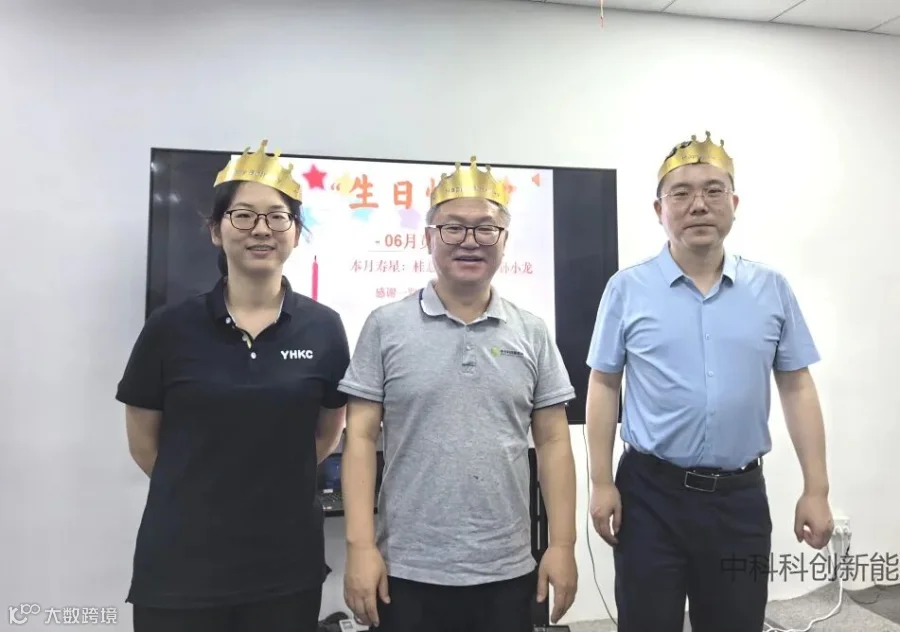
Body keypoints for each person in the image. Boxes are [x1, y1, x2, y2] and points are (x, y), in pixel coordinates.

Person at [585, 131, 834, 632]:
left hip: (738, 501)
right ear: (659, 209)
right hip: (650, 496)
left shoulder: (771, 288)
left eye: (713, 190)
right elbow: (604, 384)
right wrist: (600, 481)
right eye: (681, 193)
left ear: (734, 204)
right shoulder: (627, 289)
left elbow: (797, 386)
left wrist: (817, 488)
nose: (698, 204)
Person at [116, 140, 351, 632]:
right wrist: (209, 495)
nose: (261, 229)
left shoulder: (324, 328)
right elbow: (143, 444)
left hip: (286, 566)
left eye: (278, 217)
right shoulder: (170, 328)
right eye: (243, 216)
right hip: (181, 565)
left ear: (296, 232)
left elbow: (328, 433)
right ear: (215, 230)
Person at [338, 157, 579, 632]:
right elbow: (360, 437)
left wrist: (563, 545)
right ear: (428, 238)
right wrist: (360, 546)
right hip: (405, 568)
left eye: (486, 229)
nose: (470, 241)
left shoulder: (531, 331)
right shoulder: (385, 326)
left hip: (507, 567)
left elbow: (553, 441)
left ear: (504, 241)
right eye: (453, 227)